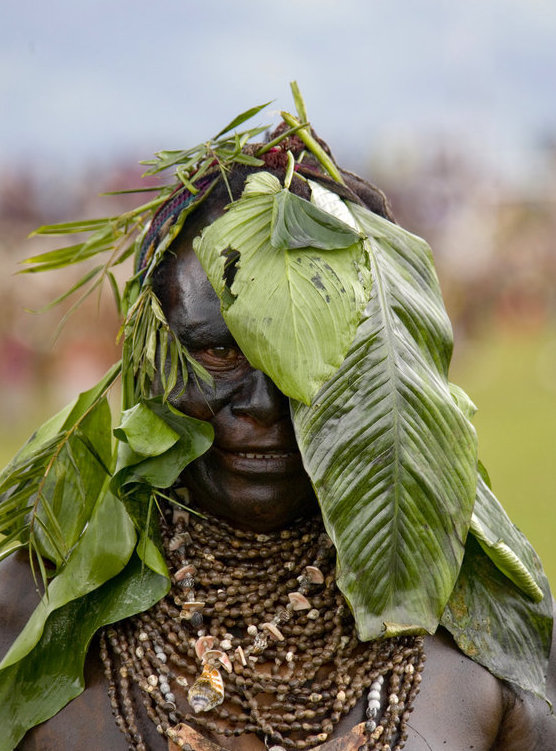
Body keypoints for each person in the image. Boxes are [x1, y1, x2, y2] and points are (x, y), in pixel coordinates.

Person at [1, 111, 555, 751]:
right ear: (150, 362)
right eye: (219, 354)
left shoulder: (486, 650)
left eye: (306, 356)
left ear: (383, 377)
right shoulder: (30, 617)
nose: (264, 406)